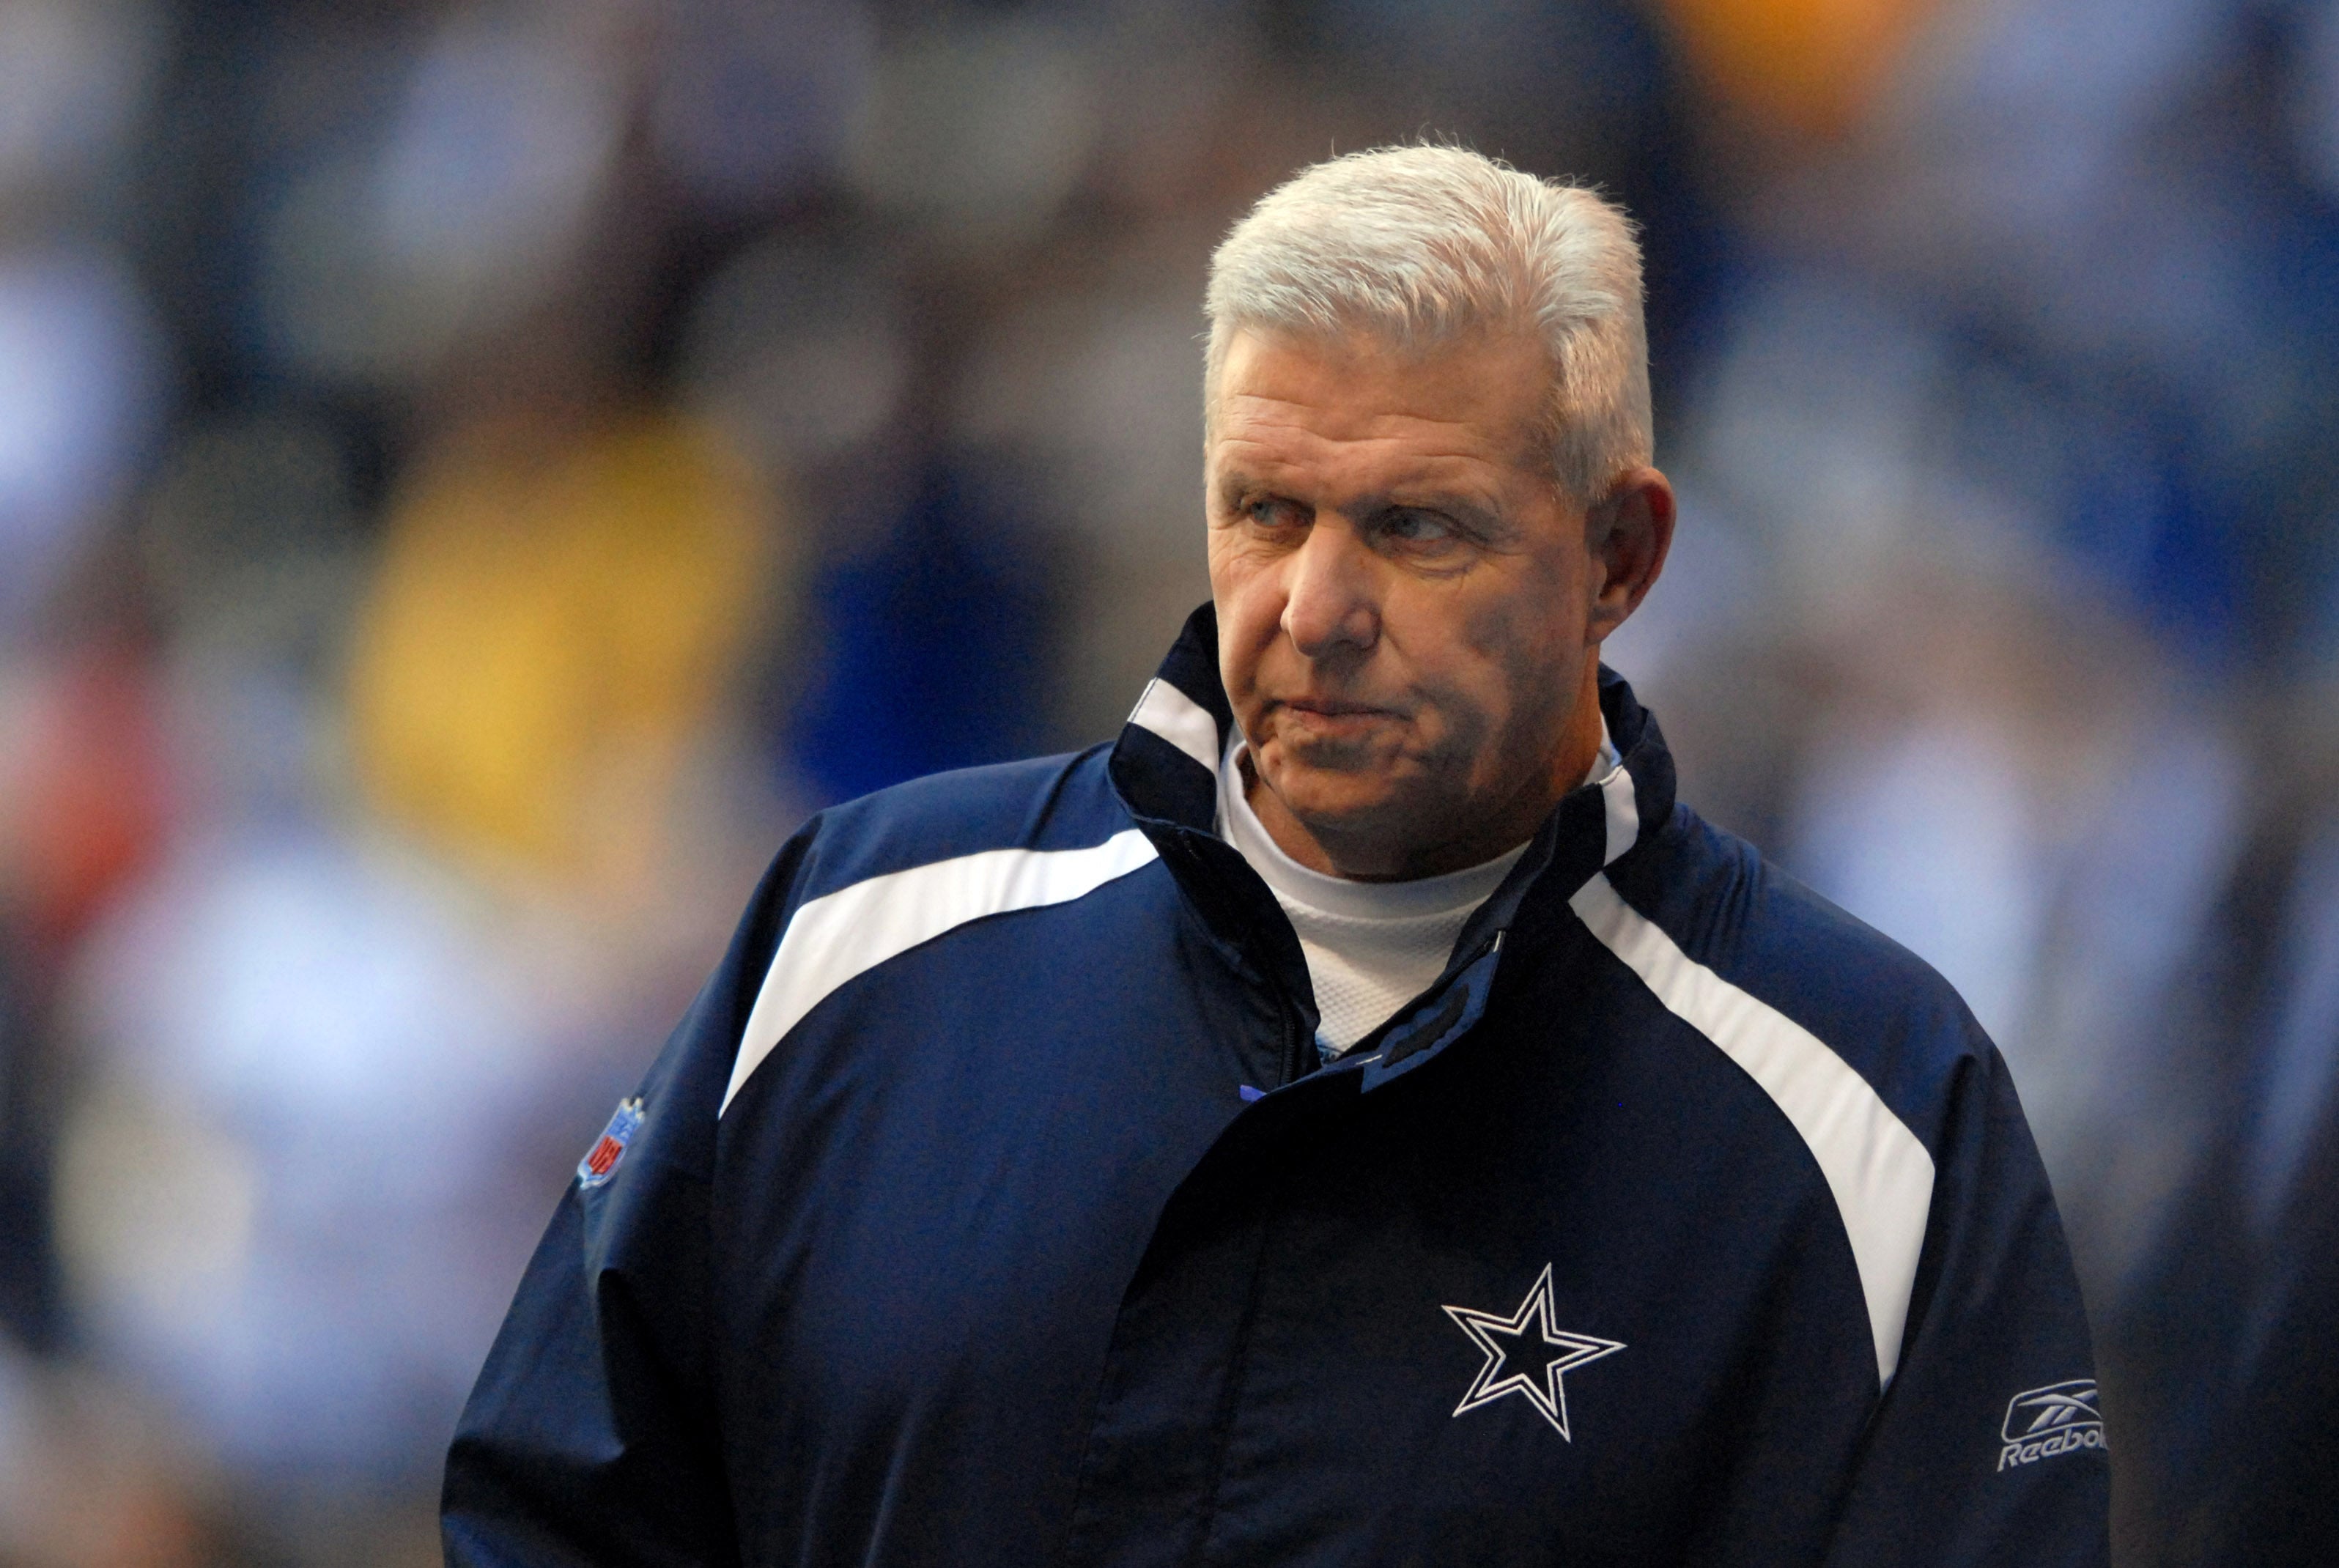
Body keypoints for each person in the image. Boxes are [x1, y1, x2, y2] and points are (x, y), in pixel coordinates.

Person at [443, 146, 2108, 1566]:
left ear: (1620, 555)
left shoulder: (1872, 1107)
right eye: (1265, 512)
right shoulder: (853, 933)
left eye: (1415, 525)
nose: (1315, 611)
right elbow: (551, 1507)